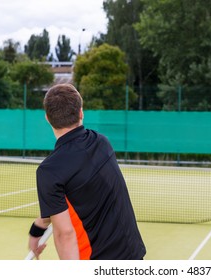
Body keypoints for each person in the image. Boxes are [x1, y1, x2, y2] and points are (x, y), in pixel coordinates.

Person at [28, 83, 146, 260]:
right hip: (132, 254)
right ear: (81, 112)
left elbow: (65, 235)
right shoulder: (101, 143)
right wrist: (37, 229)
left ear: (47, 118)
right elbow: (70, 201)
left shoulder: (49, 171)